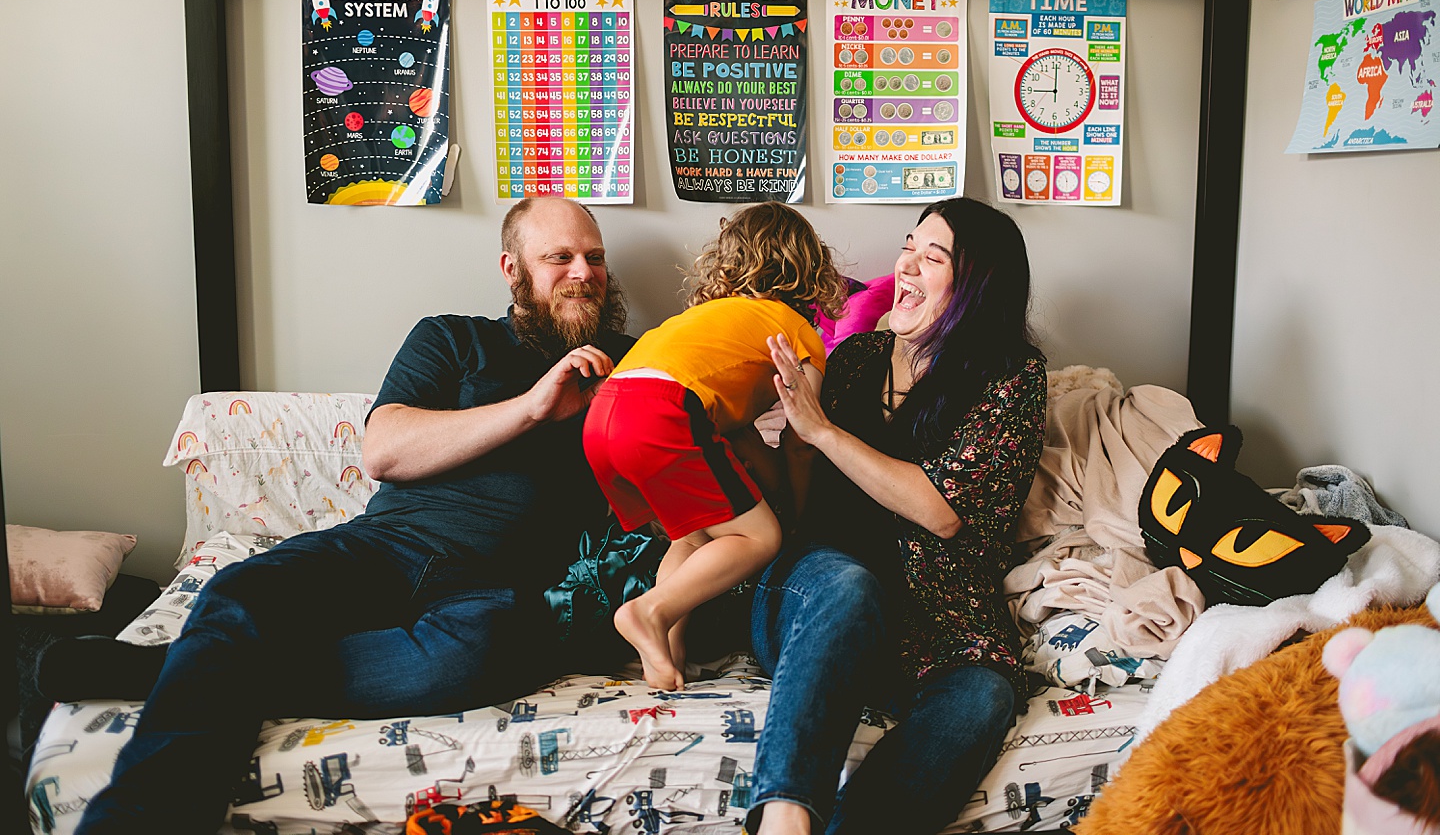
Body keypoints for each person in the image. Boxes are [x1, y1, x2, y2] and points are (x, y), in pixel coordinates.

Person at [46, 197, 635, 835]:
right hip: (386, 547)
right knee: (242, 592)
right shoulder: (453, 338)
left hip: (500, 582)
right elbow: (383, 450)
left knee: (479, 654)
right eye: (560, 257)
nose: (584, 271)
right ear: (512, 268)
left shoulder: (635, 362)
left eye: (594, 256)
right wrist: (530, 406)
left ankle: (176, 669)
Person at [749, 197, 1048, 835]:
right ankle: (783, 820)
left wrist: (824, 433)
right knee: (851, 586)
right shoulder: (854, 359)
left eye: (930, 256)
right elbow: (797, 502)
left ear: (974, 286)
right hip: (819, 599)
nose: (905, 264)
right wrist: (781, 443)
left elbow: (941, 512)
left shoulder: (1012, 378)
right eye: (907, 246)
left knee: (987, 694)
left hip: (940, 624)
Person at [583, 202, 849, 691]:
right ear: (812, 272)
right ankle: (649, 612)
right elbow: (802, 439)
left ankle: (667, 656)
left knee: (693, 537)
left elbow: (733, 438)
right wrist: (797, 516)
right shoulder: (797, 333)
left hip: (604, 416)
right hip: (660, 413)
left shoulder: (705, 321)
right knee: (758, 538)